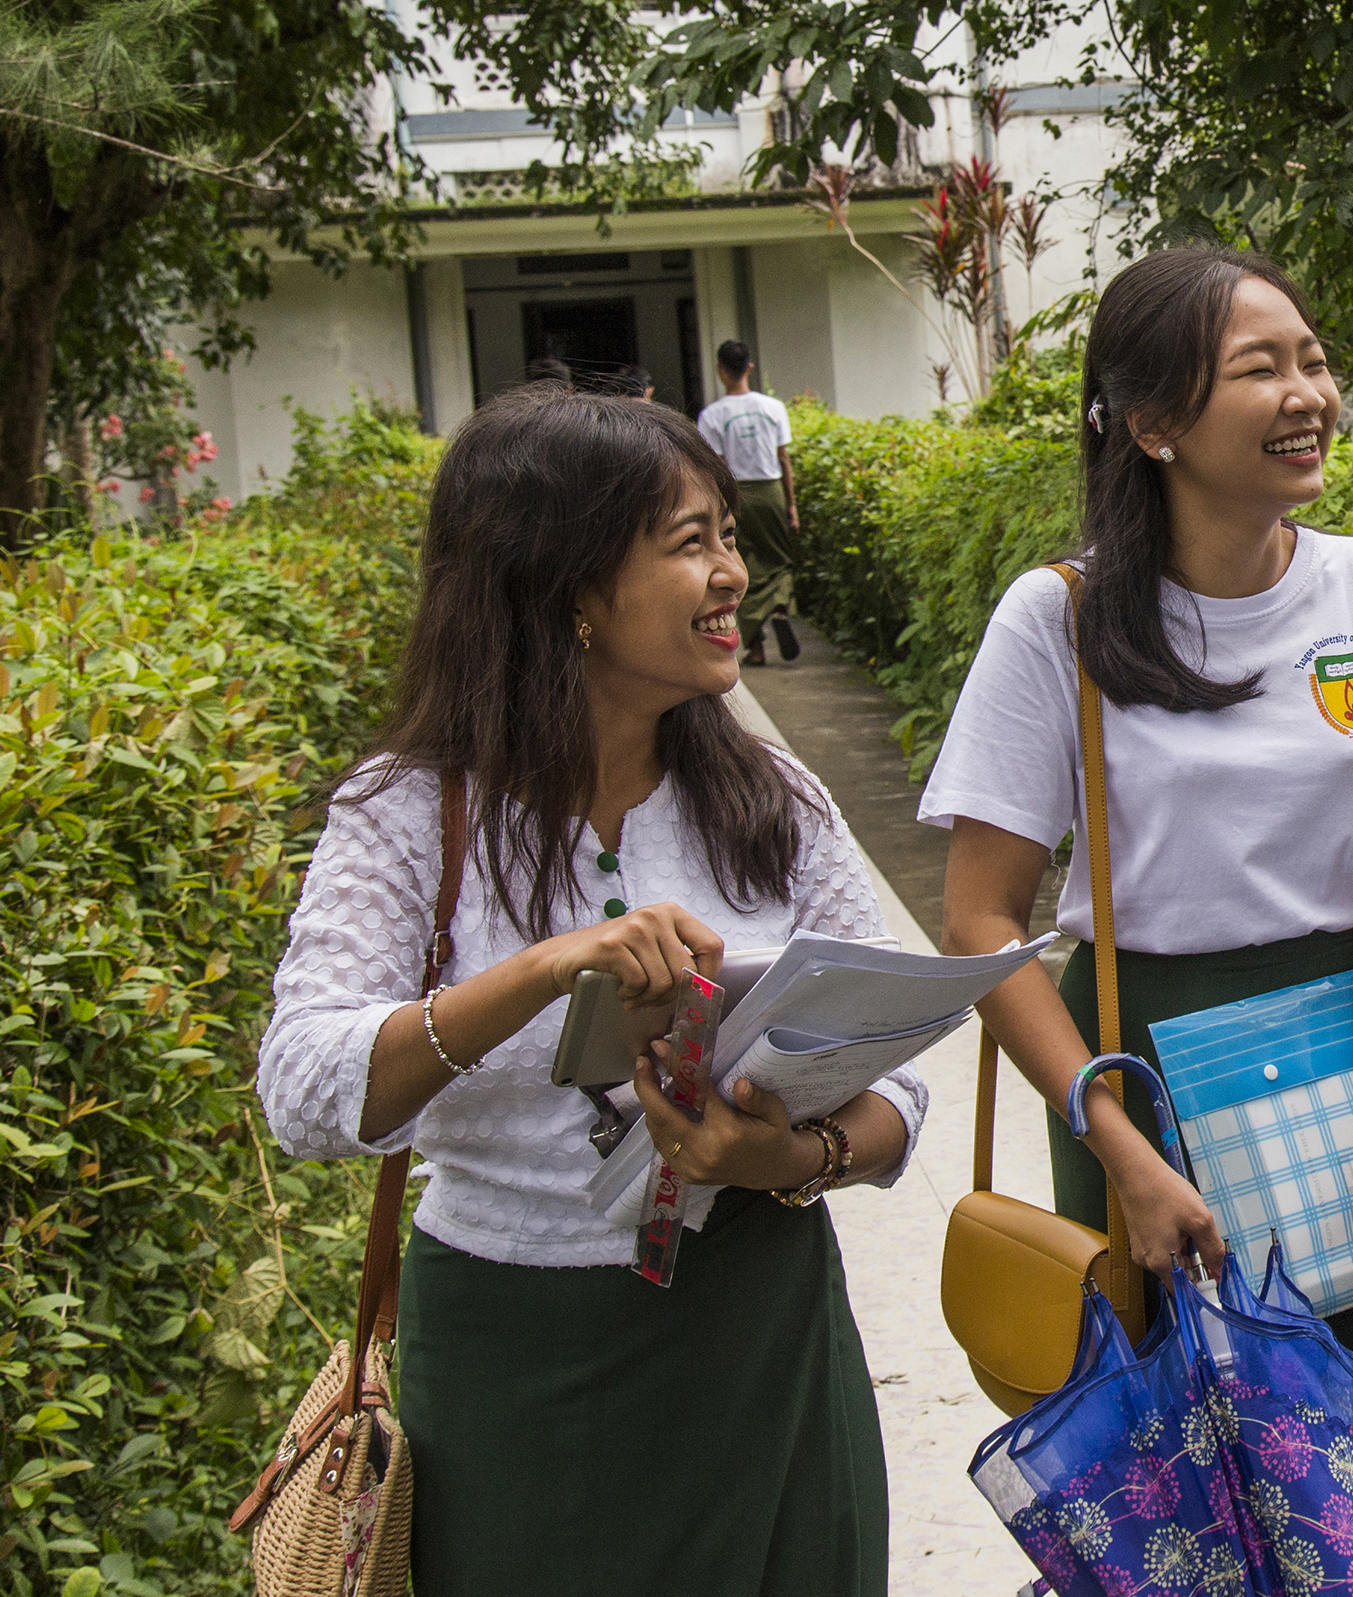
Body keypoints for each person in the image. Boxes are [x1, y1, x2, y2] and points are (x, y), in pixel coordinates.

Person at [919, 246, 1353, 1596]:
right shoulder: (1061, 619)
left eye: (1312, 358)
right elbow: (978, 920)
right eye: (1261, 369)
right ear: (1153, 425)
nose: (1308, 390)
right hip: (1143, 1084)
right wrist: (1119, 1150)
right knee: (1198, 1506)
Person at [257, 387, 925, 1596]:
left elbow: (904, 1078)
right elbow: (306, 1088)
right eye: (690, 542)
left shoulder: (776, 801)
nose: (731, 572)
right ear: (566, 588)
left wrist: (787, 1157)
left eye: (729, 532)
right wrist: (533, 974)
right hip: (521, 1366)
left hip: (763, 1333)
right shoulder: (411, 810)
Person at [698, 339, 799, 664]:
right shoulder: (773, 408)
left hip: (736, 495)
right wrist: (792, 505)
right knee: (779, 558)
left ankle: (755, 648)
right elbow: (784, 459)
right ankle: (781, 606)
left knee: (744, 563)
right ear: (750, 368)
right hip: (771, 490)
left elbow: (716, 466)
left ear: (720, 370)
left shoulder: (712, 414)